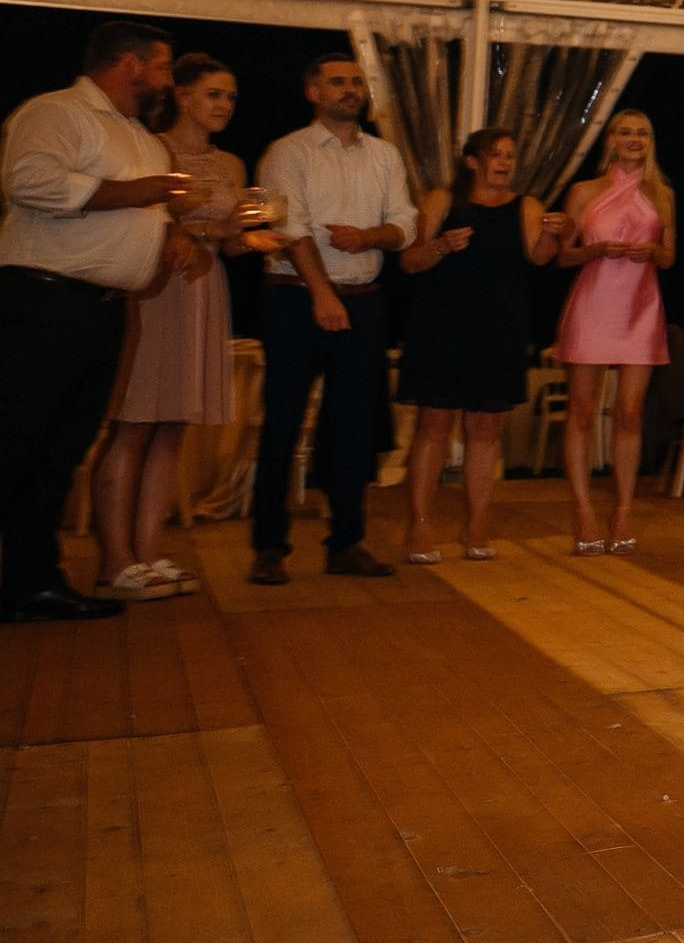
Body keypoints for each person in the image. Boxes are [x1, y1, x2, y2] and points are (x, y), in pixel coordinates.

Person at [0, 20, 187, 623]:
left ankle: (32, 582)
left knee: (60, 452)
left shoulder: (140, 136)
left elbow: (133, 210)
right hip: (41, 303)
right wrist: (141, 196)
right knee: (15, 445)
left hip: (101, 314)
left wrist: (168, 236)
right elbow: (28, 181)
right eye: (162, 67)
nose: (168, 81)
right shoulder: (57, 113)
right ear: (130, 65)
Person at [94, 54, 280, 601]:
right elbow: (135, 218)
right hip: (155, 285)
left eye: (231, 97)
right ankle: (116, 560)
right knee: (133, 421)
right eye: (214, 94)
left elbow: (225, 237)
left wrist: (249, 238)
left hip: (205, 288)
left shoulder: (232, 165)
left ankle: (149, 553)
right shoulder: (153, 149)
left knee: (173, 423)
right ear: (184, 96)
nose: (225, 105)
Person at [250, 50, 417, 585]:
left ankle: (346, 542)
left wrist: (369, 238)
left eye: (356, 82)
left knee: (353, 428)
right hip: (296, 299)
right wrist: (322, 295)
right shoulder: (288, 151)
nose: (351, 90)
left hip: (364, 298)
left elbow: (405, 224)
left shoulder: (385, 155)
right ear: (312, 92)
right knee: (282, 422)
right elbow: (292, 227)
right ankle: (269, 548)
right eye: (338, 82)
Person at [396, 128, 570, 564]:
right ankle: (418, 525)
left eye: (511, 155)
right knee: (434, 424)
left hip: (500, 328)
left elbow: (540, 257)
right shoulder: (442, 201)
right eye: (496, 155)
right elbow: (410, 261)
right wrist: (440, 246)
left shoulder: (526, 206)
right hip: (441, 326)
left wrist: (558, 232)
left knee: (486, 430)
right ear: (472, 161)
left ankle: (476, 525)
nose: (505, 163)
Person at [554, 110, 675, 555]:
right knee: (582, 410)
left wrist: (652, 251)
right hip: (592, 304)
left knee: (629, 413)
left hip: (640, 308)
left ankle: (623, 510)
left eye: (642, 133)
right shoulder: (584, 192)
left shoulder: (662, 195)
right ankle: (583, 511)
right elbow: (560, 257)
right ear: (611, 140)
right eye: (626, 132)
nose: (634, 139)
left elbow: (669, 258)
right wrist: (596, 249)